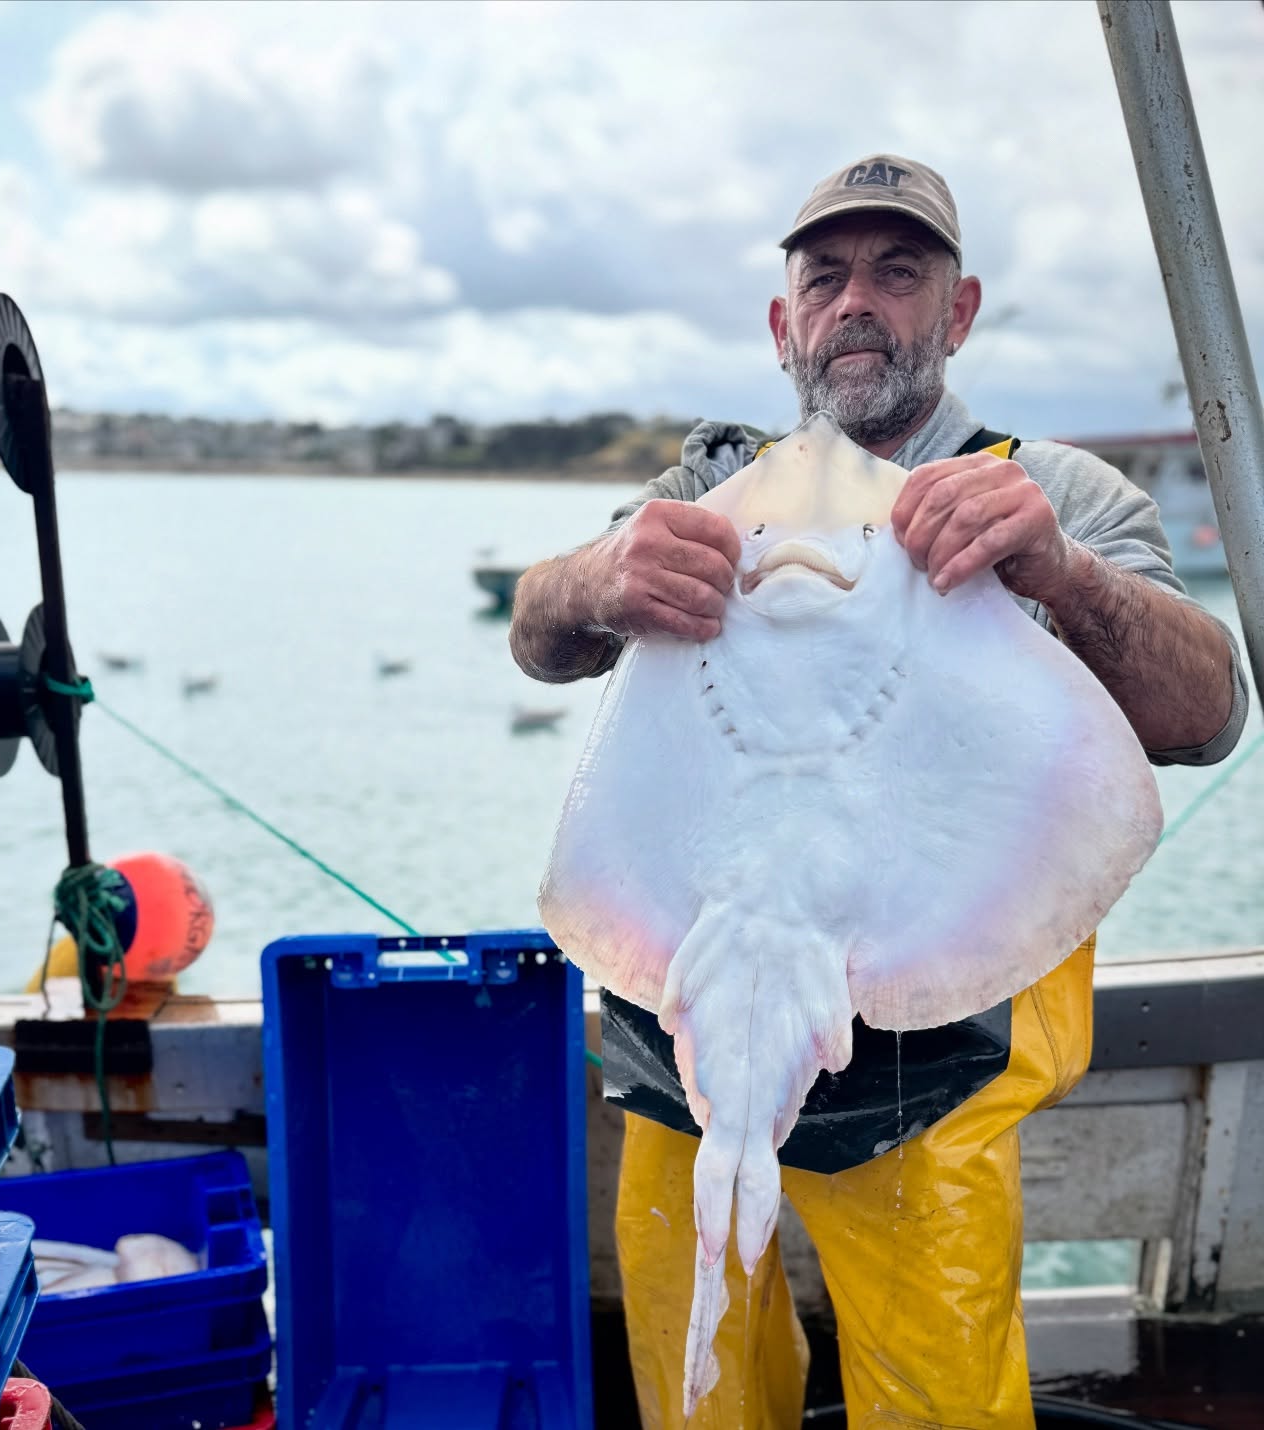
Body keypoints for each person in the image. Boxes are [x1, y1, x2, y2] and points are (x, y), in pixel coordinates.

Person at [508, 154, 1248, 1429]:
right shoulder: (697, 500)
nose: (857, 300)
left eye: (898, 273)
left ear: (958, 311)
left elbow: (1209, 712)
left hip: (934, 1065)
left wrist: (1061, 574)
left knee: (937, 1401)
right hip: (693, 1040)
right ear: (783, 322)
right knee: (696, 1385)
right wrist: (595, 579)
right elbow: (538, 634)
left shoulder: (1053, 495)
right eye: (825, 278)